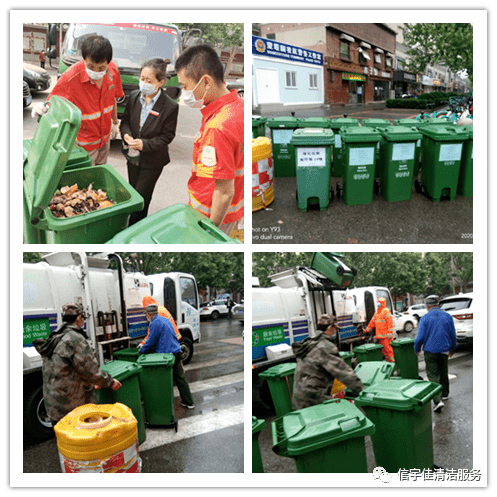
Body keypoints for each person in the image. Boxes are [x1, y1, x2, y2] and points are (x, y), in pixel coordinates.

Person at [175, 45, 244, 236]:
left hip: (208, 216)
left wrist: (211, 231)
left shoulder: (218, 126)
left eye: (185, 86)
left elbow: (223, 192)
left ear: (206, 82)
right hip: (233, 211)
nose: (184, 94)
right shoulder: (238, 107)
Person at [31, 35, 123, 166]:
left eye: (101, 68)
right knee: (86, 179)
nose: (96, 72)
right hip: (84, 145)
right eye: (90, 66)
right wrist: (41, 108)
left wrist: (114, 123)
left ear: (108, 62)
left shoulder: (113, 71)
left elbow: (113, 98)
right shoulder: (70, 77)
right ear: (84, 59)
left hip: (105, 139)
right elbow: (52, 104)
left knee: (100, 172)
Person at [32, 303, 122, 427]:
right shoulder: (74, 339)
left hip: (53, 404)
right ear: (79, 318)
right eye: (83, 317)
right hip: (71, 406)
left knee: (65, 442)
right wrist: (110, 382)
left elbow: (68, 369)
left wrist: (92, 382)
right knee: (81, 440)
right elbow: (90, 370)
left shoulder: (55, 337)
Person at [120, 58, 179, 225]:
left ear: (160, 82)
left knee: (142, 196)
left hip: (153, 160)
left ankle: (134, 228)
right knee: (133, 192)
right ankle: (131, 225)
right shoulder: (133, 97)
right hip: (133, 157)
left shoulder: (169, 106)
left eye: (149, 81)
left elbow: (168, 136)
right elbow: (125, 122)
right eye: (142, 79)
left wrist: (145, 144)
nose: (143, 83)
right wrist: (126, 135)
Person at [291, 314, 365, 411]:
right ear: (330, 327)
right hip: (313, 399)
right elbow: (344, 373)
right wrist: (363, 392)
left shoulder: (310, 343)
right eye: (335, 328)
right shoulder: (324, 347)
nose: (335, 331)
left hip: (299, 397)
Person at [140, 304, 194, 409]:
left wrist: (142, 350)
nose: (146, 316)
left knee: (163, 380)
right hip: (177, 352)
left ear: (150, 314)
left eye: (146, 314)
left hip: (166, 356)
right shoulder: (165, 320)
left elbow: (151, 341)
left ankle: (163, 404)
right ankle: (189, 402)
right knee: (180, 379)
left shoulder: (155, 323)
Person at [414, 295, 457, 413]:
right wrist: (453, 348)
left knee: (433, 375)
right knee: (444, 371)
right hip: (444, 350)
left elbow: (420, 337)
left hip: (430, 351)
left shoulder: (425, 318)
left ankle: (438, 401)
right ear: (437, 304)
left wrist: (416, 348)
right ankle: (445, 394)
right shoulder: (447, 316)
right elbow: (453, 334)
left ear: (427, 306)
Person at [365, 297, 395, 362]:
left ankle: (392, 362)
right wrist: (366, 330)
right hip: (381, 336)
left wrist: (390, 332)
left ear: (383, 303)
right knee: (384, 350)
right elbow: (372, 322)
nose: (378, 304)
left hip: (386, 336)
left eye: (380, 302)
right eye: (378, 302)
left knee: (388, 350)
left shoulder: (386, 311)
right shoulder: (377, 313)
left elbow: (390, 322)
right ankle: (388, 361)